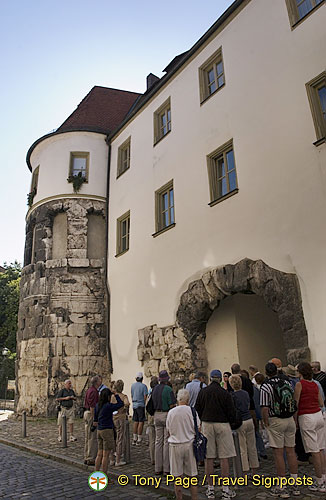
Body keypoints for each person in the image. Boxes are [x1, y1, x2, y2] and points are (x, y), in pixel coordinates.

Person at [195, 369, 236, 500]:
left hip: (207, 423)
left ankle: (210, 488)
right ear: (220, 379)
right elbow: (231, 411)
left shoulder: (203, 392)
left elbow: (198, 409)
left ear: (211, 378)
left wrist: (202, 420)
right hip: (222, 424)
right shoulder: (224, 393)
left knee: (209, 458)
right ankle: (225, 489)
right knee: (224, 457)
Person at [260, 362, 299, 498]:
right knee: (291, 451)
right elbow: (293, 402)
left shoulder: (266, 386)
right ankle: (295, 483)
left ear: (266, 372)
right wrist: (294, 418)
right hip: (289, 418)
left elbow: (264, 407)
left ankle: (282, 485)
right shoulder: (286, 382)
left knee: (278, 453)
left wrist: (265, 423)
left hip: (276, 419)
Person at [294, 362, 326, 493]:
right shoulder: (314, 384)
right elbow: (321, 402)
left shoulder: (299, 384)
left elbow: (296, 403)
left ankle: (319, 482)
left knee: (314, 451)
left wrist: (295, 421)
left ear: (300, 373)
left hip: (307, 417)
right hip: (318, 415)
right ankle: (323, 476)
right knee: (321, 448)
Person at [166, 389, 199, 500]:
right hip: (189, 444)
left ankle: (179, 497)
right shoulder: (192, 411)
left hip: (175, 445)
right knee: (192, 476)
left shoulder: (171, 412)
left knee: (177, 477)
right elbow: (198, 428)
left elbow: (168, 430)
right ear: (188, 399)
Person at [229, 374, 259, 475]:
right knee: (252, 446)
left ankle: (245, 470)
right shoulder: (246, 393)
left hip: (240, 421)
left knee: (242, 448)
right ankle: (254, 468)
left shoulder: (232, 395)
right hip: (249, 419)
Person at [152, 370, 177, 475]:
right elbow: (171, 404)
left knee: (158, 441)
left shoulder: (154, 389)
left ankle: (158, 467)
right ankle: (166, 468)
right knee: (166, 441)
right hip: (166, 414)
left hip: (156, 414)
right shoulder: (168, 389)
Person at [93, 387, 123, 474]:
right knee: (106, 455)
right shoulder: (108, 406)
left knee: (99, 454)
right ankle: (105, 475)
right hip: (107, 430)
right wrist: (116, 395)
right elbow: (120, 404)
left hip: (99, 429)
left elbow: (95, 418)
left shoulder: (97, 405)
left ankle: (96, 473)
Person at [112, 379, 130, 466]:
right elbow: (127, 403)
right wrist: (124, 408)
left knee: (113, 438)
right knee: (120, 438)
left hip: (113, 418)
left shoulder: (112, 396)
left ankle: (112, 458)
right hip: (120, 418)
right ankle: (118, 459)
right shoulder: (123, 396)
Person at [83, 375, 100, 465]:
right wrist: (94, 419)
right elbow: (92, 406)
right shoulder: (94, 391)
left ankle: (86, 455)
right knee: (92, 437)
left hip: (86, 412)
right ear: (97, 382)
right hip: (90, 414)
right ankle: (91, 457)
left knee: (88, 436)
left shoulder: (89, 390)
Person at [131, 372, 148, 446]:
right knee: (141, 421)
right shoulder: (144, 386)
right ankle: (139, 438)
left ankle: (134, 438)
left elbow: (132, 395)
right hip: (141, 405)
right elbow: (145, 396)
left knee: (135, 421)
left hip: (134, 404)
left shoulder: (133, 386)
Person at [147, 376, 159, 465]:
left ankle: (153, 459)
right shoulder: (157, 393)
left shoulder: (149, 394)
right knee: (158, 440)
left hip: (150, 418)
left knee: (152, 440)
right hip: (156, 416)